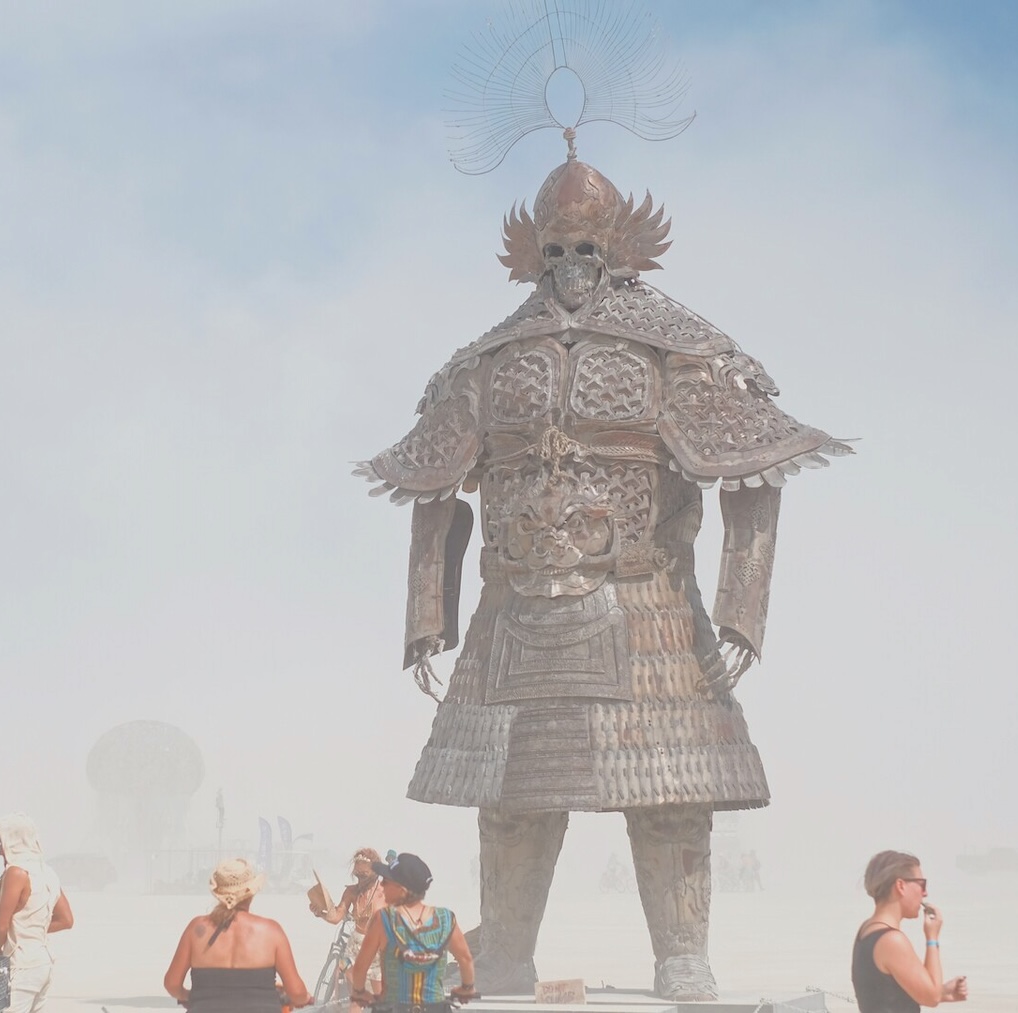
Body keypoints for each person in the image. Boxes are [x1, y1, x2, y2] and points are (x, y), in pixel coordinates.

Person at [354, 144, 854, 1001]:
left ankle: (682, 954)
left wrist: (741, 610)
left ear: (623, 246)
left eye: (588, 247)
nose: (571, 267)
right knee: (512, 795)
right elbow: (432, 488)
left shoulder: (681, 348)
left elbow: (757, 469)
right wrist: (425, 620)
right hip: (513, 605)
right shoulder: (486, 359)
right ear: (532, 253)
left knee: (666, 793)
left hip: (644, 598)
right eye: (555, 249)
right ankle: (504, 949)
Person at [164, 858, 311, 1013]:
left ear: (218, 894)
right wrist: (303, 998)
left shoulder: (197, 928)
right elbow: (296, 992)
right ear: (251, 893)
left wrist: (191, 997)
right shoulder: (271, 931)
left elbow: (172, 984)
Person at [350, 853, 475, 1013]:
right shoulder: (446, 919)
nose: (381, 885)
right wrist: (467, 988)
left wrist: (359, 992)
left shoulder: (384, 919)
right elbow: (465, 958)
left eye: (387, 881)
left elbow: (360, 966)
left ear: (402, 890)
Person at [851, 851, 967, 1013]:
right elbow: (931, 998)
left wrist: (943, 992)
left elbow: (884, 995)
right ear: (900, 886)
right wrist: (932, 938)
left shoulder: (867, 930)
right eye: (922, 885)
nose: (924, 893)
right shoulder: (892, 940)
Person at [0, 813, 76, 1013]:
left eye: (0, 843)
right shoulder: (47, 872)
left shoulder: (17, 872)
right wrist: (31, 928)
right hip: (43, 962)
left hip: (20, 964)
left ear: (14, 840)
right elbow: (66, 920)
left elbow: (1, 924)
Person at [310, 848, 388, 1011]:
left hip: (377, 950)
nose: (360, 880)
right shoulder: (351, 892)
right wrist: (321, 913)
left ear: (375, 872)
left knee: (381, 1000)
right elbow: (336, 917)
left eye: (364, 875)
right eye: (357, 875)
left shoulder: (385, 893)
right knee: (356, 997)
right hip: (354, 948)